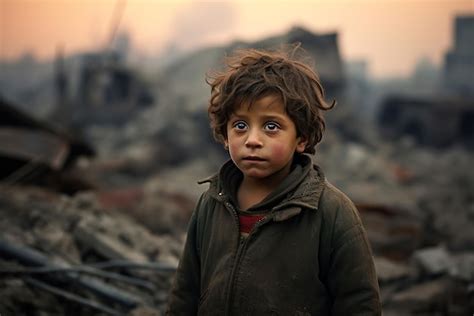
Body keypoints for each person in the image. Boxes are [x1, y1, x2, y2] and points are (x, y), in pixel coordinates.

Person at [166, 46, 381, 315]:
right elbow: (185, 293)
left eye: (271, 126)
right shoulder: (211, 204)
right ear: (225, 133)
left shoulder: (331, 213)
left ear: (301, 138)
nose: (253, 140)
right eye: (240, 125)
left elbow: (359, 304)